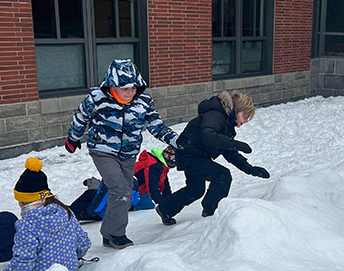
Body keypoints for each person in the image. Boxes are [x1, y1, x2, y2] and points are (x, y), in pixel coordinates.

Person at [64, 59, 180, 249]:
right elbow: (81, 117)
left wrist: (175, 140)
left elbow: (156, 125)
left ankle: (109, 233)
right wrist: (73, 138)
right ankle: (116, 234)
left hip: (128, 152)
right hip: (102, 149)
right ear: (112, 85)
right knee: (119, 189)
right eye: (124, 88)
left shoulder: (143, 102)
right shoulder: (97, 98)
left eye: (133, 88)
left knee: (127, 190)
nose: (129, 92)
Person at [154, 90, 269, 225]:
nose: (246, 121)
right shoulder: (215, 115)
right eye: (245, 116)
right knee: (222, 175)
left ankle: (165, 209)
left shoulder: (226, 123)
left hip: (195, 155)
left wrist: (250, 169)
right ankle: (211, 211)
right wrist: (237, 144)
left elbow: (229, 152)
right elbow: (208, 136)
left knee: (195, 190)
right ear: (237, 110)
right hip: (190, 154)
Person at [133, 146, 176, 210]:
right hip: (130, 185)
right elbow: (152, 187)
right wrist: (163, 204)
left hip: (142, 187)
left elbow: (164, 186)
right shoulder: (154, 166)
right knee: (145, 205)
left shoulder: (162, 165)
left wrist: (170, 200)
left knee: (147, 205)